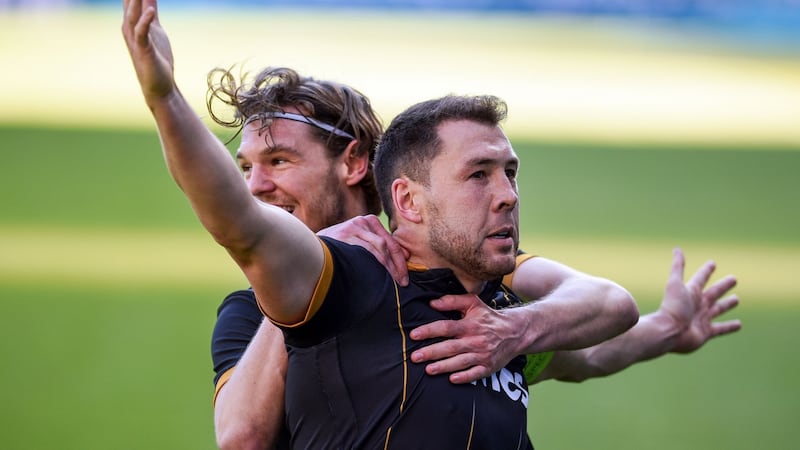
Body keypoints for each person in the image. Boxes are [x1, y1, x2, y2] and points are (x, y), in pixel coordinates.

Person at [121, 1, 740, 448]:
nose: (258, 184)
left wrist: (658, 328)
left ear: (356, 164)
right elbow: (241, 433)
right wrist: (164, 98)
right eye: (248, 167)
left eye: (279, 161)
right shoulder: (287, 294)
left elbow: (590, 333)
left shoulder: (482, 293)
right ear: (410, 198)